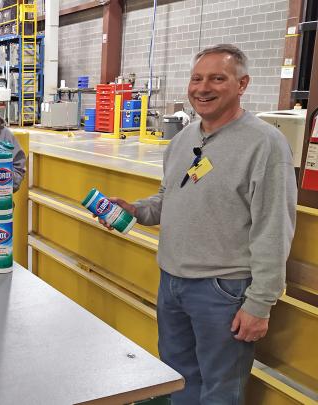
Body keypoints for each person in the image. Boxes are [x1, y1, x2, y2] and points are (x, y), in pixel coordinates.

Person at [100, 44, 297, 404]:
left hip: (223, 291)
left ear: (242, 84)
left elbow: (274, 229)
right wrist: (137, 209)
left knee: (221, 387)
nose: (203, 88)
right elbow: (169, 198)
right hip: (172, 283)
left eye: (217, 78)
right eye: (197, 78)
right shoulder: (182, 140)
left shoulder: (265, 144)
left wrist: (260, 303)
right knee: (178, 378)